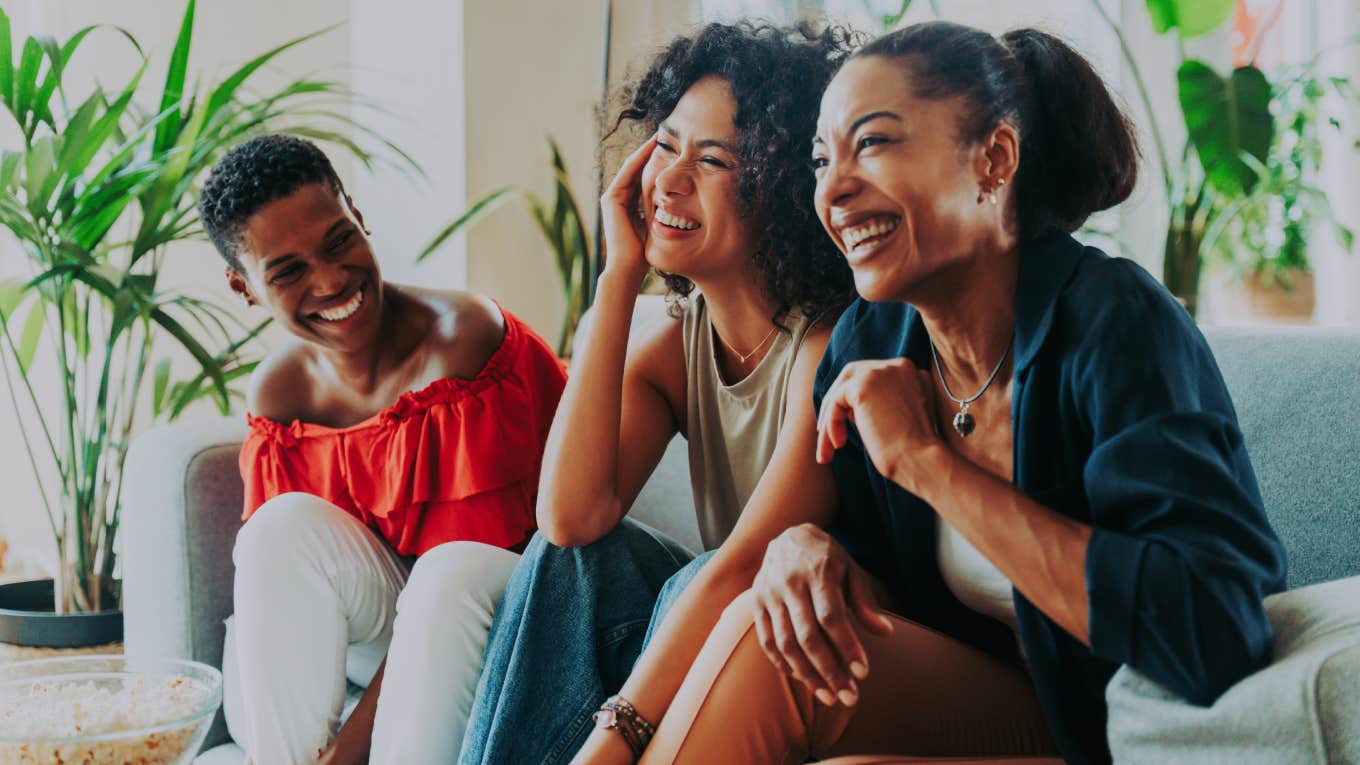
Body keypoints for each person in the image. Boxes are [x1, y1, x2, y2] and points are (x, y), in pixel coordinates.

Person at [635, 21, 1287, 765]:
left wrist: (928, 462)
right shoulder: (872, 339)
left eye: (873, 143)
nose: (835, 189)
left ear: (994, 160)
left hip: (1127, 729)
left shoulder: (1114, 322)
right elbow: (872, 569)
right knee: (781, 637)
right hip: (1004, 709)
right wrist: (808, 551)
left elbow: (1218, 628)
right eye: (822, 158)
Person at [457, 22, 857, 765]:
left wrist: (613, 739)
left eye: (711, 161)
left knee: (708, 574)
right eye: (666, 145)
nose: (670, 180)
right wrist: (616, 279)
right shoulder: (677, 343)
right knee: (566, 562)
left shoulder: (827, 344)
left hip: (815, 643)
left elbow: (744, 564)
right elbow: (570, 520)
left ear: (781, 185)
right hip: (726, 619)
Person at [196, 134, 567, 765]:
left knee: (446, 576)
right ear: (245, 288)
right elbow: (296, 589)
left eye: (339, 240)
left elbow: (466, 577)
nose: (332, 280)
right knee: (274, 530)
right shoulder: (280, 393)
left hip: (510, 613)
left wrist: (345, 753)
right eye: (287, 271)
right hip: (393, 629)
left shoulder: (462, 341)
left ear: (359, 217)